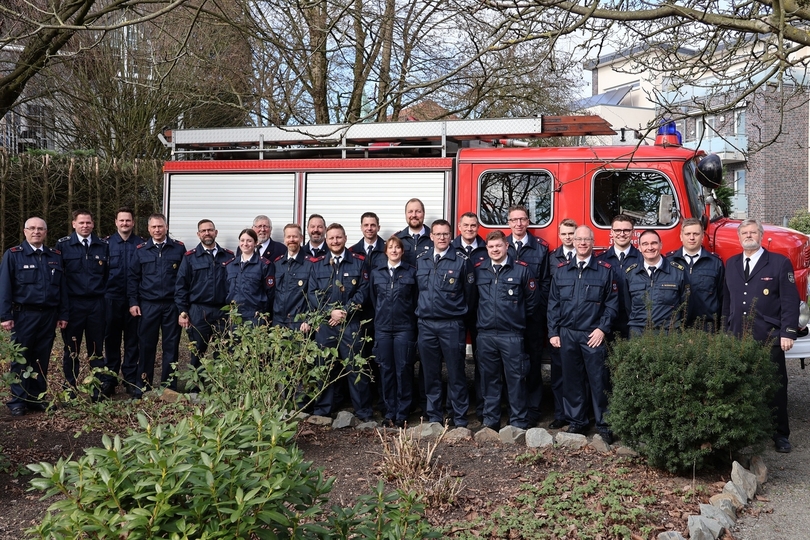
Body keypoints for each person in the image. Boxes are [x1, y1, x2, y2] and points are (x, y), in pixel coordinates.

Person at [722, 218, 799, 453]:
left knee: (775, 387)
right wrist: (725, 330)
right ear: (739, 237)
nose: (748, 235)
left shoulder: (778, 263)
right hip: (737, 336)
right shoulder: (732, 263)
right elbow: (728, 301)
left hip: (768, 335)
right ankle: (747, 432)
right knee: (742, 385)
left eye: (752, 232)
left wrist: (788, 332)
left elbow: (789, 301)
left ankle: (780, 435)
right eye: (744, 232)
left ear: (761, 235)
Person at [548, 226, 619, 442]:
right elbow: (553, 304)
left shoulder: (605, 270)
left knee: (599, 380)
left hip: (592, 335)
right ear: (574, 242)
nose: (581, 243)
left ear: (592, 241)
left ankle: (604, 424)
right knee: (572, 380)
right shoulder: (561, 270)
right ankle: (577, 422)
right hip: (567, 334)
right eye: (578, 239)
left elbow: (612, 304)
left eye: (586, 239)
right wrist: (553, 332)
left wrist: (602, 329)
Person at [0, 218, 68, 416]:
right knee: (21, 358)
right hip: (24, 315)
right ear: (25, 231)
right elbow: (5, 287)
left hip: (48, 315)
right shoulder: (13, 255)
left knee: (41, 358)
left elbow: (62, 288)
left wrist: (63, 313)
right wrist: (5, 315)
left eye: (40, 229)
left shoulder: (54, 256)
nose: (36, 232)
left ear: (46, 233)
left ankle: (36, 397)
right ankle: (18, 400)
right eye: (32, 229)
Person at [472, 230, 537, 430]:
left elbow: (532, 303)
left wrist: (515, 320)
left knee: (516, 380)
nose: (495, 250)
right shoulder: (479, 270)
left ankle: (517, 421)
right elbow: (472, 301)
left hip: (512, 335)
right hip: (486, 335)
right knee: (489, 380)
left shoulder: (522, 270)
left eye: (498, 246)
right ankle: (491, 421)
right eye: (491, 247)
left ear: (506, 246)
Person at [307, 223, 372, 420]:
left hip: (350, 323)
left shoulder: (359, 262)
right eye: (331, 238)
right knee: (324, 366)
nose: (335, 241)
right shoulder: (318, 264)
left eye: (339, 237)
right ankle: (323, 410)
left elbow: (363, 292)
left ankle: (363, 413)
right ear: (326, 240)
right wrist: (330, 312)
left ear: (345, 238)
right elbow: (312, 293)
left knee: (355, 368)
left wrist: (343, 311)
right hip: (327, 325)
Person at [415, 219, 474, 427]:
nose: (442, 237)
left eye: (446, 234)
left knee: (456, 372)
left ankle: (458, 416)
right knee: (430, 373)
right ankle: (434, 416)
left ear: (451, 236)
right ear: (430, 236)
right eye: (438, 234)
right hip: (426, 325)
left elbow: (470, 295)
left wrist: (458, 317)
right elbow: (416, 292)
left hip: (451, 325)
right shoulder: (421, 259)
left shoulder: (461, 260)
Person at [128, 213, 185, 397]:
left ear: (166, 227)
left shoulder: (178, 249)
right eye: (153, 227)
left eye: (160, 226)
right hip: (148, 305)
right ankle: (143, 384)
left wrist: (182, 306)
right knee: (146, 345)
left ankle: (169, 387)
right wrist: (133, 302)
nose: (157, 230)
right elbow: (133, 278)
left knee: (171, 346)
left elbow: (184, 279)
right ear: (148, 229)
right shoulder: (141, 250)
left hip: (171, 305)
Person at [56, 210, 109, 394]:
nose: (85, 226)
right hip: (73, 305)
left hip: (96, 305)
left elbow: (107, 275)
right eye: (81, 223)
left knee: (96, 349)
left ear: (93, 224)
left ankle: (97, 389)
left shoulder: (102, 245)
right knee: (72, 349)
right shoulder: (63, 246)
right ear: (74, 224)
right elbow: (59, 278)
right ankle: (70, 388)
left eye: (88, 223)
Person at [505, 204, 550, 425]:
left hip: (531, 318)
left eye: (522, 219)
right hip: (507, 319)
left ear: (528, 221)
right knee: (510, 365)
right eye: (514, 220)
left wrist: (535, 311)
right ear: (508, 223)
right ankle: (512, 407)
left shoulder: (541, 248)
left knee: (532, 363)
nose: (519, 224)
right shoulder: (499, 246)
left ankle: (533, 409)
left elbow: (545, 284)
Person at [369, 235, 418, 427]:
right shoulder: (377, 273)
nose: (394, 250)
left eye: (398, 248)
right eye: (391, 247)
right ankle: (389, 412)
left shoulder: (411, 273)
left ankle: (402, 414)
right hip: (382, 329)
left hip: (404, 329)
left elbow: (415, 301)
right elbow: (374, 301)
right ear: (386, 251)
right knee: (386, 370)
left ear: (402, 251)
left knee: (404, 370)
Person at [175, 219, 235, 373]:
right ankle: (196, 389)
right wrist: (183, 311)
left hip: (223, 312)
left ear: (216, 232)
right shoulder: (190, 257)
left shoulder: (228, 257)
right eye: (203, 231)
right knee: (197, 353)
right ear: (198, 234)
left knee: (223, 353)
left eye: (210, 230)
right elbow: (181, 286)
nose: (207, 233)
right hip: (198, 311)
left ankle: (221, 389)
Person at [103, 207, 143, 396]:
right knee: (111, 340)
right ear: (116, 222)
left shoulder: (142, 245)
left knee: (132, 341)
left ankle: (130, 379)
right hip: (111, 300)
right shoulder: (106, 244)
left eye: (128, 220)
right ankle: (110, 380)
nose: (125, 224)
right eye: (121, 221)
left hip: (135, 301)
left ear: (133, 223)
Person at [625, 229, 689, 335]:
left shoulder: (678, 272)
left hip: (669, 334)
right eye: (645, 244)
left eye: (654, 243)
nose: (650, 248)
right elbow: (627, 305)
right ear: (639, 248)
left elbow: (686, 305)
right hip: (638, 334)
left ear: (661, 245)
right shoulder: (631, 273)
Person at [546, 218, 578, 429]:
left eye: (571, 233)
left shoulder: (587, 257)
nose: (568, 237)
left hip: (580, 326)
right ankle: (560, 414)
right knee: (558, 374)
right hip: (560, 324)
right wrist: (552, 328)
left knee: (578, 374)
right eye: (565, 233)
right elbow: (548, 294)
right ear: (559, 235)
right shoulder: (551, 258)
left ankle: (579, 413)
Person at [665, 218, 724, 331]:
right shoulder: (668, 262)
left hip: (707, 327)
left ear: (702, 236)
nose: (692, 238)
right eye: (688, 234)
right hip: (675, 327)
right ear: (681, 236)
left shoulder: (716, 263)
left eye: (696, 234)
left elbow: (722, 297)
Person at [596, 215, 642, 339]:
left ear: (633, 232)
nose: (622, 234)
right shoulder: (599, 260)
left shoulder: (643, 259)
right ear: (611, 232)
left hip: (634, 322)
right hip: (605, 323)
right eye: (617, 230)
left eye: (626, 230)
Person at [225, 229, 275, 325]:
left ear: (256, 243)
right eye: (242, 240)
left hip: (255, 316)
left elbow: (270, 293)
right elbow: (226, 289)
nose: (245, 244)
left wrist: (265, 313)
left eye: (249, 241)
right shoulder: (230, 265)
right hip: (234, 315)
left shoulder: (264, 265)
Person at [272, 224, 311, 330]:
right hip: (278, 322)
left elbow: (313, 295)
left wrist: (308, 320)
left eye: (295, 236)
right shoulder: (277, 263)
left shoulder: (311, 264)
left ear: (301, 238)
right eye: (288, 237)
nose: (292, 239)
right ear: (284, 239)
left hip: (299, 322)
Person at [396, 198, 433, 266]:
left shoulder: (434, 238)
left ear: (424, 214)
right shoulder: (397, 239)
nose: (413, 215)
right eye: (410, 211)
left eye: (418, 211)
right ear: (405, 214)